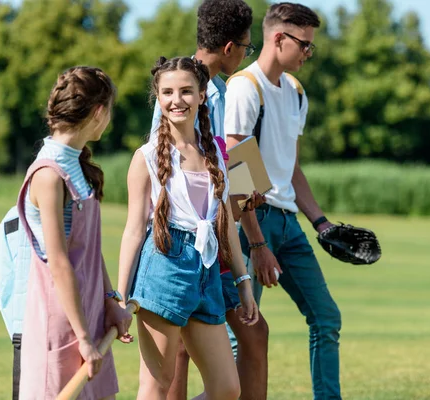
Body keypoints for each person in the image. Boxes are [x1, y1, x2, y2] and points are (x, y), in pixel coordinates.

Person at [118, 56, 259, 400]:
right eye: (167, 92)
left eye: (185, 91)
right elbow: (134, 229)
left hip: (207, 273)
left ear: (201, 95)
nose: (176, 100)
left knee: (227, 388)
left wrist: (243, 282)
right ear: (158, 98)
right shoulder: (146, 157)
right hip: (164, 270)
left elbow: (224, 226)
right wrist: (120, 297)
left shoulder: (216, 154)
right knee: (157, 385)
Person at [148, 1, 269, 399]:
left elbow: (223, 161)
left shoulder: (216, 90)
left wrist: (244, 189)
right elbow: (165, 172)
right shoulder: (184, 91)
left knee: (242, 341)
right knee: (178, 358)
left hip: (215, 240)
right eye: (248, 48)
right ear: (230, 46)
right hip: (181, 247)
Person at [224, 3, 343, 399]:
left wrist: (321, 222)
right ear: (279, 39)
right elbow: (239, 166)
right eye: (305, 46)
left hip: (290, 225)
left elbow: (290, 169)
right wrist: (257, 244)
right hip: (249, 225)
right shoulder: (245, 86)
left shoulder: (295, 91)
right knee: (244, 332)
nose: (309, 53)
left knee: (326, 318)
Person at [18, 66, 133, 399]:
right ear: (99, 112)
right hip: (62, 322)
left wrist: (110, 300)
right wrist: (82, 336)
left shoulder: (76, 165)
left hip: (90, 313)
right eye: (109, 110)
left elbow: (89, 250)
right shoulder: (48, 174)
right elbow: (58, 261)